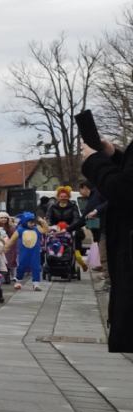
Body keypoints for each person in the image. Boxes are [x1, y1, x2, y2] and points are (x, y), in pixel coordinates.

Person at [82, 139, 128, 350]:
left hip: (109, 230)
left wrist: (95, 161)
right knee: (101, 252)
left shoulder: (97, 194)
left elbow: (122, 190)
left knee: (105, 255)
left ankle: (108, 280)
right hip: (103, 228)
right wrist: (116, 156)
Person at [12, 211, 44, 291]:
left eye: (34, 222)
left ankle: (36, 284)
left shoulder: (37, 229)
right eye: (30, 222)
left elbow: (46, 230)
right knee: (21, 266)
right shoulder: (20, 230)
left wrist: (43, 222)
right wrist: (5, 248)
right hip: (23, 252)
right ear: (25, 222)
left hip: (35, 252)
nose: (33, 224)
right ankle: (18, 281)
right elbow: (12, 240)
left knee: (36, 267)